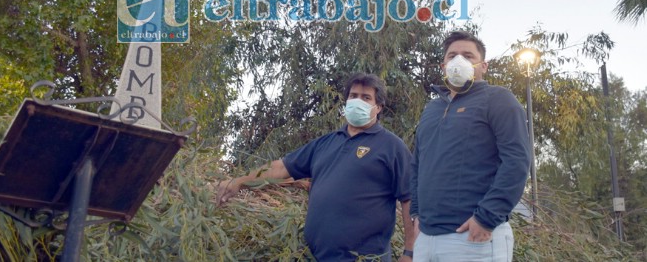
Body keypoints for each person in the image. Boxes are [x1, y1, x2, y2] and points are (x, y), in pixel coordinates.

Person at [217, 73, 415, 262]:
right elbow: (281, 168)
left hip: (364, 258)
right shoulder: (325, 144)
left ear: (378, 107)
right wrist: (239, 182)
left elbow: (410, 198)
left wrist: (410, 252)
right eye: (353, 96)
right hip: (315, 256)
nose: (358, 101)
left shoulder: (392, 147)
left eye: (366, 97)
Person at [409, 31, 532, 261]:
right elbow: (417, 165)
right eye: (452, 55)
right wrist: (416, 215)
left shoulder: (498, 99)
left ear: (483, 65)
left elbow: (516, 162)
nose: (459, 60)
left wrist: (486, 218)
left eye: (467, 55)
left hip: (473, 240)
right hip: (426, 239)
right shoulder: (431, 109)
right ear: (443, 65)